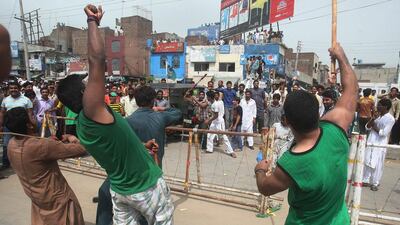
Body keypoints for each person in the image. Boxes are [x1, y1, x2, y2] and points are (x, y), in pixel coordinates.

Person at [56, 5, 173, 224]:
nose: (89, 83)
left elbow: (116, 149)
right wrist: (93, 22)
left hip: (121, 192)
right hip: (145, 188)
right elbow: (98, 60)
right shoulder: (93, 110)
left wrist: (141, 147)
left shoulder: (84, 124)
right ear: (84, 93)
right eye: (85, 83)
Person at [254, 43, 358, 224]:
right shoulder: (335, 129)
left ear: (288, 121)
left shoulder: (292, 163)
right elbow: (352, 89)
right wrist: (341, 56)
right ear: (317, 112)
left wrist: (260, 170)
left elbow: (265, 188)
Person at [96, 86, 181, 225]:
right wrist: (161, 109)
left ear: (135, 100)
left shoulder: (127, 121)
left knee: (108, 196)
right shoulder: (160, 116)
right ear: (153, 100)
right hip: (151, 174)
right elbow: (177, 113)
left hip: (128, 173)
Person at [6, 107, 86, 225]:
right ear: (29, 125)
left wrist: (47, 142)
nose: (35, 118)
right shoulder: (42, 146)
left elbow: (34, 151)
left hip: (37, 197)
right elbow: (81, 149)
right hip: (57, 200)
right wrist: (71, 138)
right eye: (32, 116)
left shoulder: (11, 144)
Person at [0, 81, 35, 169]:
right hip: (8, 126)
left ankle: (25, 162)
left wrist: (33, 125)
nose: (13, 90)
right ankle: (6, 163)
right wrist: (1, 124)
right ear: (9, 89)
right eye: (11, 88)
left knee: (24, 144)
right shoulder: (5, 100)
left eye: (15, 88)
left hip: (22, 127)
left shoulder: (26, 100)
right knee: (6, 144)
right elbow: (2, 113)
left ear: (19, 89)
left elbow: (30, 114)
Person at [363, 99, 395, 191]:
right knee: (368, 159)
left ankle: (375, 183)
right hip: (371, 140)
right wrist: (373, 119)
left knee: (378, 163)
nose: (377, 106)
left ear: (385, 107)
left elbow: (384, 133)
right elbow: (367, 127)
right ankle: (365, 179)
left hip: (380, 143)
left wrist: (374, 126)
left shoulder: (390, 119)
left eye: (379, 105)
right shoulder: (377, 116)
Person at [205, 91, 236, 158]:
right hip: (214, 122)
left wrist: (208, 120)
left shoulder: (215, 104)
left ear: (209, 97)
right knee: (209, 134)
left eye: (207, 96)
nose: (206, 98)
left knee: (224, 136)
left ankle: (231, 151)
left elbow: (216, 115)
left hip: (219, 122)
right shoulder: (217, 102)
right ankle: (209, 149)